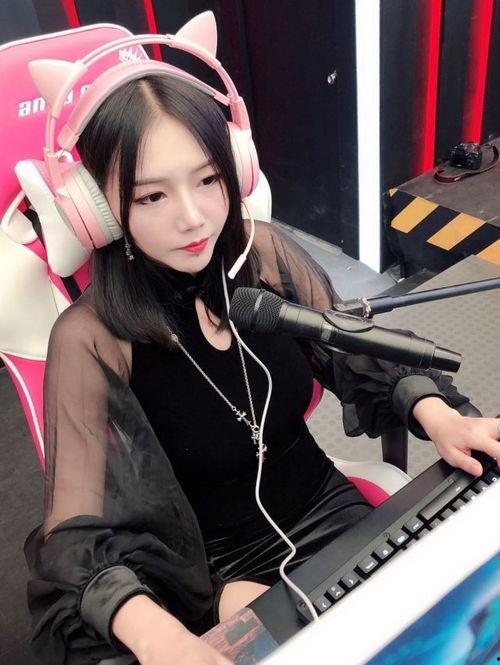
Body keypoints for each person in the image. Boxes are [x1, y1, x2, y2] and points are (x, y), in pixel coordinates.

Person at [23, 55, 500, 665]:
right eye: (152, 195)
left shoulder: (263, 257)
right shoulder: (90, 339)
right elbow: (76, 540)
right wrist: (162, 635)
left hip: (327, 507)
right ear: (98, 208)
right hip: (209, 569)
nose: (192, 217)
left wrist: (440, 416)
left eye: (207, 180)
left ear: (236, 168)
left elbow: (354, 349)